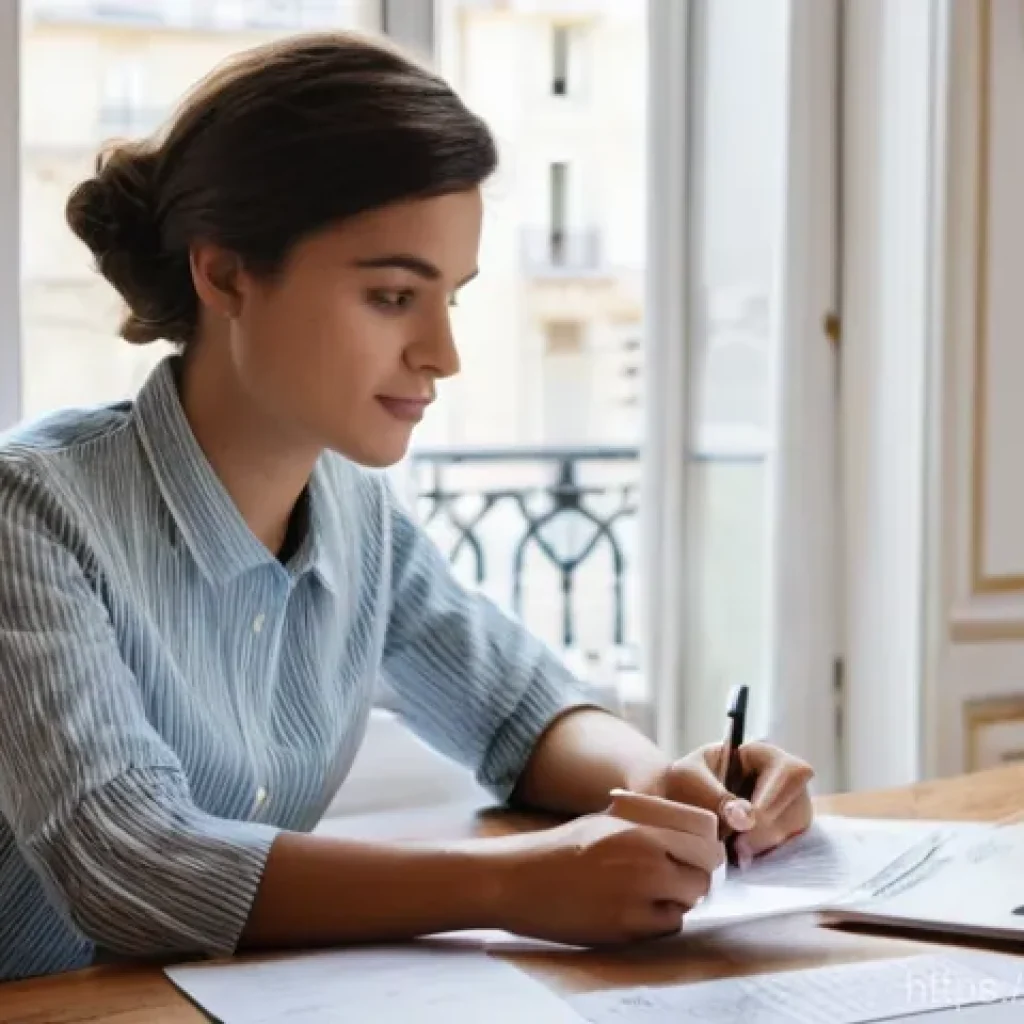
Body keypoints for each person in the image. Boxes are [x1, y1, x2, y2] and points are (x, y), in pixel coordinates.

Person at [0, 32, 814, 983]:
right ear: (224, 275)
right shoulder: (31, 513)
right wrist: (511, 882)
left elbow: (522, 711)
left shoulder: (356, 514)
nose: (442, 354)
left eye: (452, 301)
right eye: (392, 295)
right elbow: (131, 862)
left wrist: (669, 786)